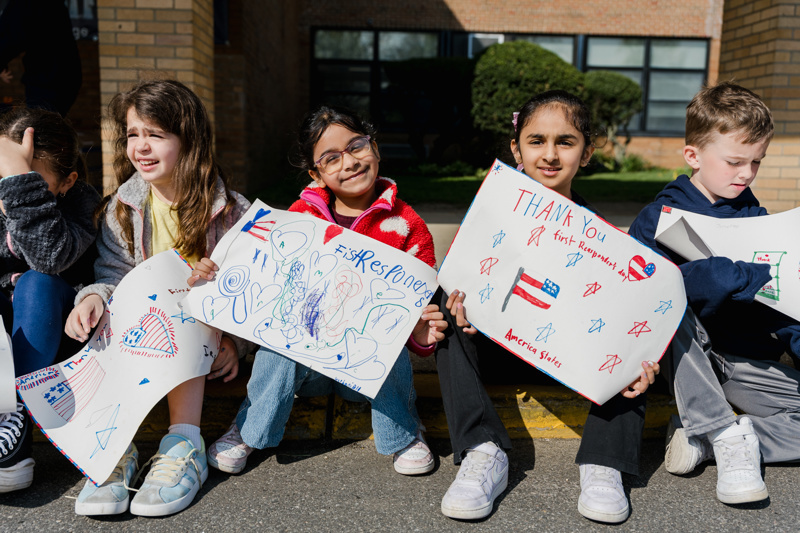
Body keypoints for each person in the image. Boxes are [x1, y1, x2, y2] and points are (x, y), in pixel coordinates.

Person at [436, 90, 659, 523]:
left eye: (566, 142)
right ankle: (483, 451)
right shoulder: (488, 216)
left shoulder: (607, 242)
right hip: (501, 348)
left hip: (571, 359)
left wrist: (643, 353)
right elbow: (463, 282)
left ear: (588, 151)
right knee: (443, 301)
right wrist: (462, 306)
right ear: (516, 148)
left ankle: (604, 462)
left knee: (637, 328)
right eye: (537, 141)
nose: (550, 154)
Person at [203, 105, 447, 478]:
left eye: (357, 146)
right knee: (278, 342)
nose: (348, 162)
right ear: (316, 174)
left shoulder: (408, 225)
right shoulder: (299, 217)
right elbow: (267, 285)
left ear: (375, 147)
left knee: (390, 331)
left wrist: (419, 335)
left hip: (367, 371)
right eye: (331, 158)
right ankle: (249, 429)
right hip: (308, 369)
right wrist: (219, 274)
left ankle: (403, 431)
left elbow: (419, 310)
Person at [63, 79, 251, 517]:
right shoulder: (121, 208)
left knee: (183, 296)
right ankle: (116, 452)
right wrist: (92, 297)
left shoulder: (231, 210)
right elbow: (114, 277)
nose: (141, 147)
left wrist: (235, 343)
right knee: (103, 315)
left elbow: (250, 296)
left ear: (189, 140)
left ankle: (183, 445)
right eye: (133, 134)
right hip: (140, 337)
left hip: (200, 339)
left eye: (156, 135)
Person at [628, 81, 800, 505]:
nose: (747, 173)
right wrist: (729, 277)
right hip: (692, 360)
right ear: (693, 155)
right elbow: (641, 303)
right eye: (735, 161)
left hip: (747, 364)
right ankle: (720, 429)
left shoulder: (760, 223)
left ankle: (705, 440)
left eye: (756, 162)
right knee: (669, 299)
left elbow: (783, 308)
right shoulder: (658, 219)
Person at [0, 107, 100, 493]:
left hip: (52, 341)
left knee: (37, 282)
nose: (5, 186)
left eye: (32, 180)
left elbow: (49, 257)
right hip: (4, 340)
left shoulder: (82, 206)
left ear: (67, 181)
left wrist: (19, 185)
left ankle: (13, 425)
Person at [0, 0, 82, 117]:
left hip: (49, 78)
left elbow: (8, 37)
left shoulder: (26, 4)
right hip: (63, 75)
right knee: (48, 123)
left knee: (40, 125)